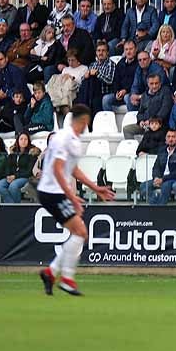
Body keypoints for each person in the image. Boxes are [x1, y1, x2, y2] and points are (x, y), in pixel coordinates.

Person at [35, 105, 117, 296]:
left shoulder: (71, 140)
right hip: (51, 192)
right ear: (80, 121)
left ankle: (51, 272)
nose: (85, 128)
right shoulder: (64, 139)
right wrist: (72, 197)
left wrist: (95, 187)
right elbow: (57, 169)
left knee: (78, 232)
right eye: (85, 123)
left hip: (56, 192)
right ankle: (67, 279)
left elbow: (72, 169)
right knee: (80, 232)